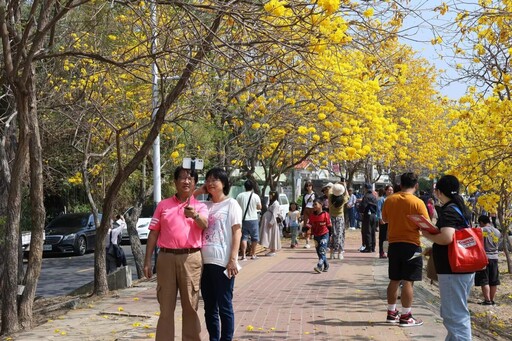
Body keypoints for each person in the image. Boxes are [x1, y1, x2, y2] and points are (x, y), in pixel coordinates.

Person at [143, 166, 208, 341]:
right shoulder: (163, 205)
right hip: (166, 258)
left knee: (190, 306)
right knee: (166, 307)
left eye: (190, 178)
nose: (186, 181)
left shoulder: (200, 206)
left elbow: (204, 224)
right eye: (182, 178)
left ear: (195, 183)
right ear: (175, 182)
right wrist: (147, 261)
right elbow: (154, 232)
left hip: (191, 258)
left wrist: (194, 215)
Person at [422, 175, 475, 339]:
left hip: (453, 270)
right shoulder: (461, 208)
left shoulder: (449, 210)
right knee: (453, 314)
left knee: (455, 317)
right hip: (463, 267)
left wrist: (427, 235)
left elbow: (447, 237)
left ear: (438, 192)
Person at [199, 167, 242, 341]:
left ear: (224, 183)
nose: (210, 183)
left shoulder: (231, 204)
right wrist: (199, 191)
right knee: (209, 308)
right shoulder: (204, 205)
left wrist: (232, 259)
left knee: (224, 306)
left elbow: (237, 232)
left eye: (214, 180)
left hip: (223, 262)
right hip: (204, 263)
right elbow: (185, 203)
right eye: (208, 180)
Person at [382, 172, 428, 327]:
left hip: (394, 244)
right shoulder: (418, 202)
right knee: (408, 280)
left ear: (400, 185)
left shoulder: (390, 200)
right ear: (416, 185)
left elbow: (385, 219)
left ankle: (391, 313)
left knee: (394, 279)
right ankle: (406, 316)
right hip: (411, 245)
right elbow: (425, 224)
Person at [475, 214, 501, 305]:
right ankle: (492, 300)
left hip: (484, 257)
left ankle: (487, 300)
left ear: (481, 222)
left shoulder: (482, 230)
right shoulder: (497, 231)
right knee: (493, 280)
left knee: (484, 279)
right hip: (495, 258)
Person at [236, 180, 262, 260]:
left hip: (243, 219)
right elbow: (259, 207)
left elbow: (236, 207)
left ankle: (243, 255)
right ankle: (253, 254)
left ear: (244, 186)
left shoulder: (240, 196)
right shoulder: (255, 196)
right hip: (253, 219)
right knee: (255, 238)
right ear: (252, 187)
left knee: (244, 237)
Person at [308, 198, 332, 273]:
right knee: (319, 252)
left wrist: (330, 236)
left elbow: (329, 226)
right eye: (313, 205)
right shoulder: (312, 215)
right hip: (316, 235)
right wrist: (305, 230)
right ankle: (326, 265)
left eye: (315, 204)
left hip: (324, 234)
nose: (314, 206)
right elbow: (309, 224)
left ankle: (319, 266)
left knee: (322, 251)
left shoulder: (326, 215)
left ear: (321, 205)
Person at [329, 183, 348, 259]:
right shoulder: (343, 199)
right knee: (340, 234)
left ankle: (332, 253)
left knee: (332, 234)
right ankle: (340, 252)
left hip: (331, 217)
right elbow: (347, 194)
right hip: (340, 217)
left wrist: (335, 184)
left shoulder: (330, 197)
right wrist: (344, 186)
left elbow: (330, 190)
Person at [259, 190, 282, 256]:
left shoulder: (276, 204)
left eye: (271, 195)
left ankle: (273, 249)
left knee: (272, 235)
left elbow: (275, 214)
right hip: (268, 220)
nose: (270, 196)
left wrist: (271, 222)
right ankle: (271, 249)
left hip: (272, 222)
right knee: (269, 235)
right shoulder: (272, 203)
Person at [359, 183, 378, 253]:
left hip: (367, 215)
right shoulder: (374, 197)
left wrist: (360, 209)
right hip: (374, 215)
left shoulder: (366, 196)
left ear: (366, 189)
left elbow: (363, 206)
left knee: (367, 231)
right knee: (373, 231)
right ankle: (373, 247)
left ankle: (368, 247)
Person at [376, 185, 394, 259]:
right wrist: (380, 219)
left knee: (389, 238)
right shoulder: (381, 199)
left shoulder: (393, 199)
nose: (390, 191)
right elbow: (378, 210)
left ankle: (388, 252)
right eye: (389, 190)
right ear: (386, 191)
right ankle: (382, 252)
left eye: (391, 190)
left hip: (391, 221)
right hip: (384, 221)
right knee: (383, 237)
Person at [301, 180, 316, 248]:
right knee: (306, 225)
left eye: (309, 185)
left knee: (314, 225)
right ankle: (307, 242)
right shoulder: (305, 195)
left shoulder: (315, 194)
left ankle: (316, 240)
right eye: (307, 186)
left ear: (312, 186)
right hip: (306, 210)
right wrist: (302, 213)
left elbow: (318, 203)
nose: (308, 187)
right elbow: (303, 204)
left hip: (313, 210)